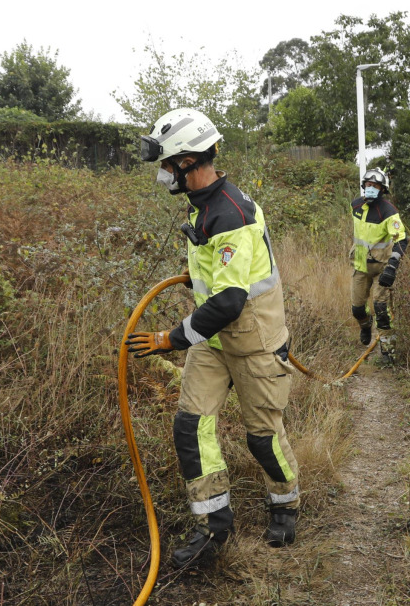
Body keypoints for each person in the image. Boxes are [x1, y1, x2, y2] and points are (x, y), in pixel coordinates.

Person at [125, 108, 300, 569]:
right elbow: (220, 277)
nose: (162, 175)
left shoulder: (231, 213)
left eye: (166, 165)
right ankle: (214, 528)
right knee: (191, 428)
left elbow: (228, 302)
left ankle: (285, 503)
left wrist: (169, 338)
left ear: (187, 161)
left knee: (263, 439)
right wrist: (194, 275)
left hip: (254, 343)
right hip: (215, 343)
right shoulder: (203, 204)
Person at [349, 168, 407, 363]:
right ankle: (366, 326)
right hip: (361, 264)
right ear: (363, 186)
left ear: (383, 189)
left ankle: (388, 352)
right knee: (357, 309)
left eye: (375, 186)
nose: (371, 188)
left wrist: (392, 266)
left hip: (382, 267)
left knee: (381, 308)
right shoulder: (355, 205)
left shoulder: (389, 211)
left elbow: (401, 240)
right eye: (368, 185)